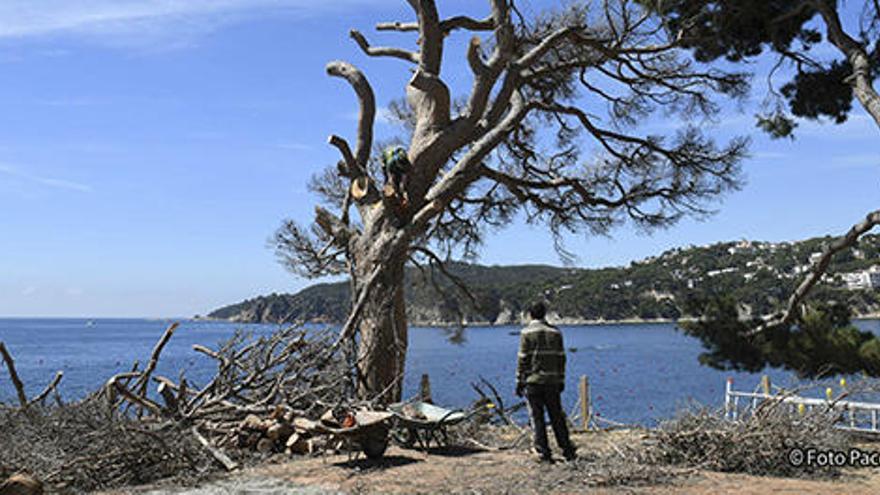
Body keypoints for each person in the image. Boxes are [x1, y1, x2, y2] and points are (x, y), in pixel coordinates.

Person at [516, 301, 576, 462]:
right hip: (552, 381)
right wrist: (561, 379)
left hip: (533, 381)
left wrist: (519, 380)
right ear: (544, 314)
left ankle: (543, 452)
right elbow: (561, 358)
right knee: (557, 416)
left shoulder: (526, 333)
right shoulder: (555, 333)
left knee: (537, 418)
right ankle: (567, 449)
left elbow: (523, 359)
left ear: (530, 314)